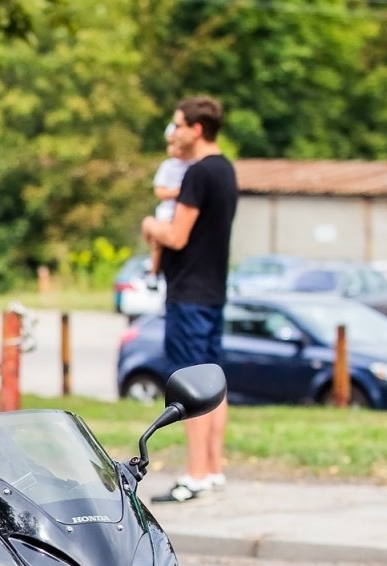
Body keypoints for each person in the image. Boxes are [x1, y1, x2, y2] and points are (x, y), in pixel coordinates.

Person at [140, 96, 237, 503]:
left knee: (192, 384)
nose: (173, 131)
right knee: (216, 384)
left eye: (178, 124)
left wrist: (149, 224)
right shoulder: (226, 168)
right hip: (213, 290)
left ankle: (195, 475)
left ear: (196, 129)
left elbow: (176, 235)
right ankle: (213, 469)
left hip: (189, 294)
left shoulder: (197, 174)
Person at [145, 123, 190, 286]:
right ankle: (154, 271)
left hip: (184, 211)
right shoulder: (168, 167)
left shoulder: (193, 166)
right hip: (168, 211)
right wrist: (177, 192)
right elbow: (159, 191)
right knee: (158, 241)